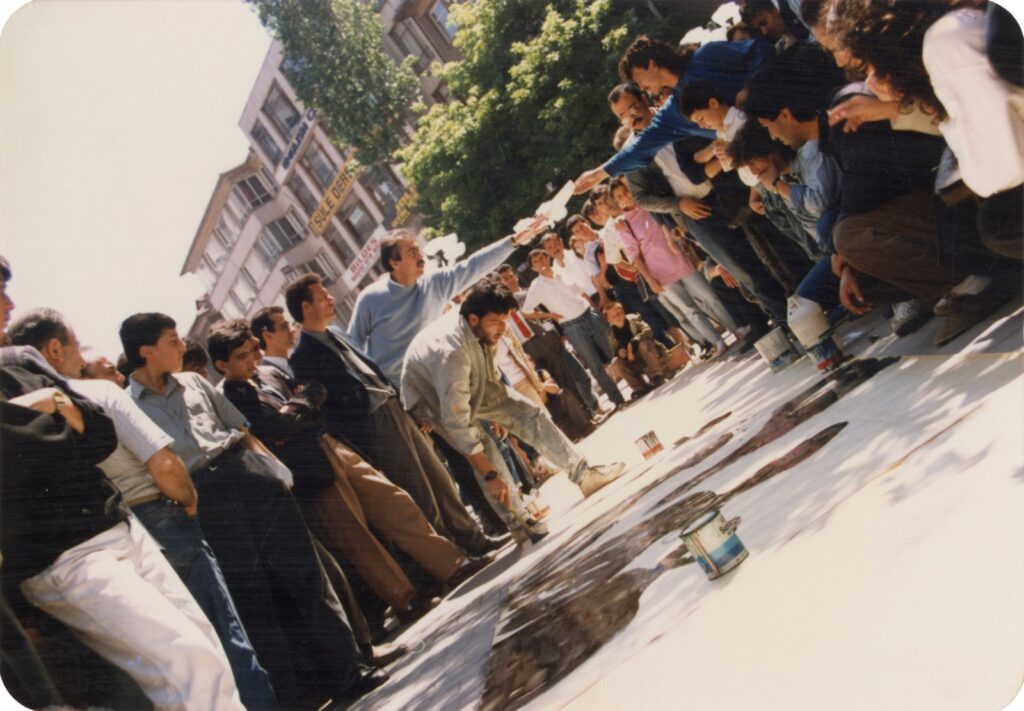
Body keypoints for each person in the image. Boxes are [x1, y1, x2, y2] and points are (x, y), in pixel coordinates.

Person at [7, 309, 279, 709]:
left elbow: (97, 432)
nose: (8, 302)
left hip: (123, 528)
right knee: (187, 658)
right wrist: (50, 412)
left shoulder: (19, 362)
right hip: (70, 555)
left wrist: (53, 404)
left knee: (206, 650)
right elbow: (156, 460)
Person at [121, 311, 386, 708]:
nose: (181, 346)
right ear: (146, 351)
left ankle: (349, 671)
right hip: (205, 500)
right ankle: (297, 698)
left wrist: (274, 471)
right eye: (172, 340)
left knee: (305, 577)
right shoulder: (127, 408)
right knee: (255, 599)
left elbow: (241, 430)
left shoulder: (195, 382)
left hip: (248, 476)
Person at [214, 314, 492, 620]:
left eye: (253, 350)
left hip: (330, 445)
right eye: (242, 356)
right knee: (358, 538)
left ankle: (451, 564)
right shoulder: (231, 397)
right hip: (308, 471)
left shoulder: (267, 373)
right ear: (222, 365)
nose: (252, 359)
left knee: (395, 502)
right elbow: (276, 428)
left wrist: (297, 408)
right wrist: (301, 407)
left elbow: (315, 390)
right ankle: (405, 599)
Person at [286, 274, 507, 557]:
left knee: (439, 477)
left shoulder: (337, 333)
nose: (331, 299)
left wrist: (407, 406)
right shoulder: (303, 356)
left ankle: (474, 539)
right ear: (305, 307)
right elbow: (330, 409)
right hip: (373, 423)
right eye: (322, 296)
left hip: (394, 407)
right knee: (419, 489)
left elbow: (371, 370)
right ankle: (451, 556)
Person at [401, 278, 627, 541]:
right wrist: (490, 475)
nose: (502, 327)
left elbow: (487, 371)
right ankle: (520, 523)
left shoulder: (483, 326)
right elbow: (458, 423)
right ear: (473, 319)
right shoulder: (452, 353)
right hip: (430, 397)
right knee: (485, 450)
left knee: (529, 413)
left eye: (505, 320)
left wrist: (499, 413)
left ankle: (585, 476)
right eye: (496, 322)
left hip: (467, 381)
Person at [348, 220, 546, 387]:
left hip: (440, 380)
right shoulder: (370, 299)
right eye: (412, 252)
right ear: (394, 262)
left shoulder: (435, 283)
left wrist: (512, 242)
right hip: (399, 392)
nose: (421, 256)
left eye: (418, 249)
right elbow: (352, 346)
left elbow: (473, 266)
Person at [524, 249, 628, 406]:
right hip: (572, 327)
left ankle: (639, 383)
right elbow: (526, 313)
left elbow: (582, 293)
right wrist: (550, 315)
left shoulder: (561, 272)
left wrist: (597, 312)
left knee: (615, 351)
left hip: (589, 315)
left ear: (547, 258)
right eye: (536, 261)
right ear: (533, 268)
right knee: (595, 366)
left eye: (542, 257)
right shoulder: (536, 286)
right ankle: (618, 400)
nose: (541, 262)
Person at [602, 301, 670, 397]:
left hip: (648, 353)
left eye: (619, 312)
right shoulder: (611, 333)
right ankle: (639, 387)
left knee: (643, 344)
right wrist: (619, 351)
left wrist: (634, 341)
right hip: (632, 360)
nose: (618, 316)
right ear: (609, 320)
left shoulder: (633, 319)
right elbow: (615, 350)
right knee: (616, 362)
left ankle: (657, 376)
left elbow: (648, 330)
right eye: (614, 316)